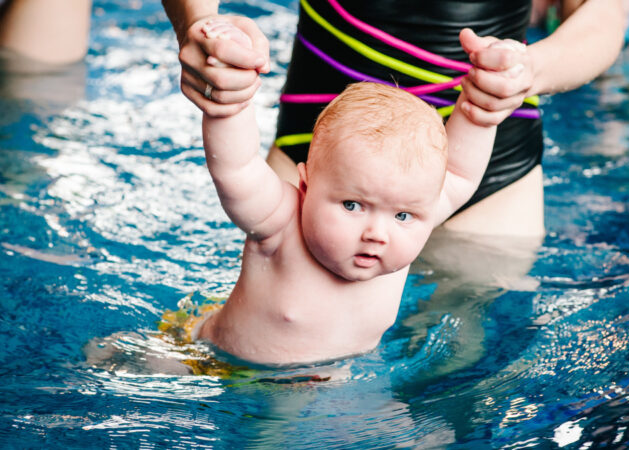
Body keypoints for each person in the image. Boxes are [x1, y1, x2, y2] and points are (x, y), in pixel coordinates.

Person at [189, 19, 517, 365]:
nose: (376, 234)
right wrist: (228, 98)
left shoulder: (417, 214)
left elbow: (460, 173)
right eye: (352, 205)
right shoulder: (280, 222)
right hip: (215, 362)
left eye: (402, 216)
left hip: (325, 379)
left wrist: (481, 108)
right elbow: (236, 167)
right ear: (305, 185)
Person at [163, 0, 627, 238]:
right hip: (321, 148)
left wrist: (529, 72)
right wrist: (200, 26)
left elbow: (602, 15)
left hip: (490, 158)